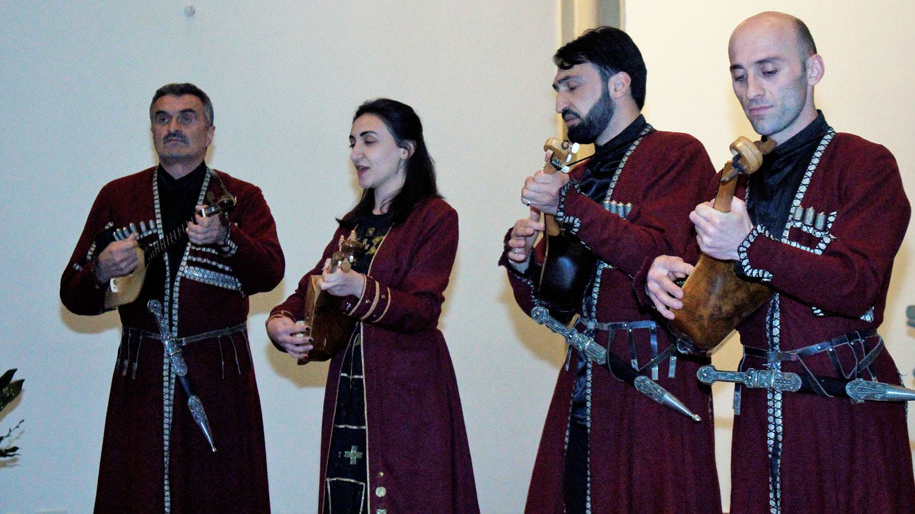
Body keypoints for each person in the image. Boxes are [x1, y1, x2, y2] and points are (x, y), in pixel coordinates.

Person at [647, 12, 915, 513]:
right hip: (759, 406)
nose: (752, 89)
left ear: (813, 70)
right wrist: (663, 278)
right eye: (739, 74)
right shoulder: (736, 179)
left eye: (769, 70)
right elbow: (705, 316)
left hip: (843, 406)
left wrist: (751, 246)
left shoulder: (864, 164)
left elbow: (858, 284)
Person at [502, 27, 722, 513]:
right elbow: (557, 306)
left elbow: (660, 256)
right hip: (586, 375)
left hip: (654, 374)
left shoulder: (676, 154)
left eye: (572, 85)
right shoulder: (578, 175)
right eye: (557, 89)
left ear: (619, 85)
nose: (560, 102)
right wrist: (523, 265)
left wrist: (571, 206)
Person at [60, 83, 285, 513]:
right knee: (137, 491)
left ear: (209, 132)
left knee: (220, 492)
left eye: (187, 117)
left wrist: (227, 237)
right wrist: (103, 270)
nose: (173, 127)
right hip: (140, 377)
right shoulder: (118, 197)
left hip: (220, 376)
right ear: (152, 131)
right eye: (162, 118)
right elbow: (72, 293)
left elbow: (271, 271)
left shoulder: (242, 198)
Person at [267, 98, 479, 514]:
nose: (355, 154)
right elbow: (312, 286)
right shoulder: (353, 225)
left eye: (368, 141)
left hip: (408, 391)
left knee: (406, 496)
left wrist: (359, 289)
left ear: (405, 149)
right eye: (352, 142)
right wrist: (281, 321)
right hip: (351, 385)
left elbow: (422, 309)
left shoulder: (435, 218)